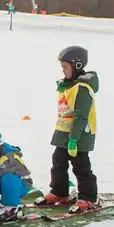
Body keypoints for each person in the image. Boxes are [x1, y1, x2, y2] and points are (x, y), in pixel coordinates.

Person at [45, 46, 100, 213]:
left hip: (79, 135)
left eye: (65, 67)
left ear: (77, 66)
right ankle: (59, 191)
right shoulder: (67, 86)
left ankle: (88, 197)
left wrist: (74, 139)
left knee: (81, 166)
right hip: (64, 133)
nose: (63, 71)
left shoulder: (82, 88)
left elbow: (81, 115)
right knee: (58, 163)